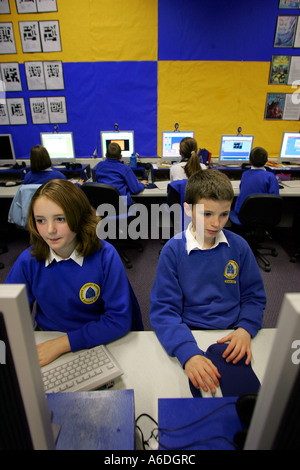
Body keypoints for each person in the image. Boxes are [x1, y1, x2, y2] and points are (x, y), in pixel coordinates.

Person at [150, 169, 266, 395]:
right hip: (189, 333)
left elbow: (254, 296)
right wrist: (188, 352)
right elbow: (164, 311)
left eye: (224, 214)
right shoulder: (173, 251)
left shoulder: (239, 246)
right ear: (188, 209)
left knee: (251, 406)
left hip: (233, 333)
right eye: (207, 214)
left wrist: (245, 329)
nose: (217, 223)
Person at [5, 179, 142, 366]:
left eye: (60, 219)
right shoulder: (28, 261)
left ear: (79, 217)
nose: (50, 230)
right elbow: (9, 316)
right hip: (47, 340)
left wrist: (63, 344)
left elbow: (118, 320)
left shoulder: (105, 255)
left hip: (96, 341)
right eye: (40, 221)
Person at [231, 146, 280, 222]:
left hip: (243, 214)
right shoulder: (271, 176)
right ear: (266, 161)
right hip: (265, 216)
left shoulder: (245, 174)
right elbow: (275, 197)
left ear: (250, 161)